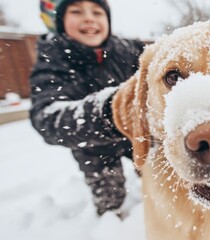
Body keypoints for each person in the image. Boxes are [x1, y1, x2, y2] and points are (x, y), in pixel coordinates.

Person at [30, 0, 145, 216]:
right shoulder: (54, 59)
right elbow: (47, 116)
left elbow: (162, 61)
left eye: (97, 12)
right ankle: (112, 218)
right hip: (93, 147)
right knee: (109, 193)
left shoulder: (127, 50)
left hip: (136, 136)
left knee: (157, 173)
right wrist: (110, 113)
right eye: (76, 11)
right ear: (59, 21)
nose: (89, 18)